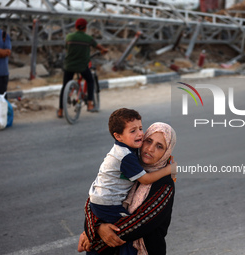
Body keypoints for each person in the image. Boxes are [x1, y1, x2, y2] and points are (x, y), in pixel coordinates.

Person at [81, 110, 176, 254]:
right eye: (148, 141)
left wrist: (93, 232)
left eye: (159, 146)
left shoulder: (164, 185)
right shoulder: (130, 164)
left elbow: (138, 224)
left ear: (167, 152)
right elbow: (93, 200)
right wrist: (95, 228)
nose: (150, 149)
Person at [57, 18, 108, 118]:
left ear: (76, 27)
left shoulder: (69, 37)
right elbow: (98, 46)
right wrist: (104, 50)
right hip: (82, 66)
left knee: (64, 86)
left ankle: (60, 110)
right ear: (85, 28)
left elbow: (66, 48)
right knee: (90, 80)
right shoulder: (88, 38)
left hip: (69, 66)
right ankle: (89, 104)